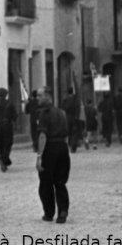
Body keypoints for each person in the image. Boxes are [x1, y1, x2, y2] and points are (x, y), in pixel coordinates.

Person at [36, 87, 69, 224]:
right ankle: (62, 210)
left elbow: (43, 136)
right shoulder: (61, 113)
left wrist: (39, 156)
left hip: (50, 149)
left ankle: (49, 213)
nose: (37, 98)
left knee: (46, 183)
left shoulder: (44, 114)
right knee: (60, 182)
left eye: (39, 96)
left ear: (48, 97)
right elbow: (66, 133)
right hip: (62, 148)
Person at [60, 87, 81, 153]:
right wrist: (77, 116)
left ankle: (69, 144)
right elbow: (78, 108)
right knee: (74, 132)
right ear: (72, 92)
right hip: (74, 117)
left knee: (68, 132)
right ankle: (73, 146)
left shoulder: (65, 100)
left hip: (67, 117)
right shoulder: (75, 99)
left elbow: (62, 108)